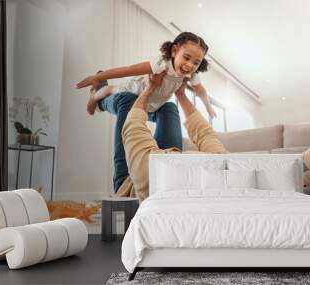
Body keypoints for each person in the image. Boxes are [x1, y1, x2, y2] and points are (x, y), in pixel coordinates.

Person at [76, 32, 216, 194]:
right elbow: (128, 70)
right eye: (186, 58)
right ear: (174, 51)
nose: (190, 65)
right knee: (111, 90)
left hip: (153, 106)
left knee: (170, 107)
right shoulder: (161, 63)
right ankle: (96, 99)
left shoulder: (191, 75)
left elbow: (200, 90)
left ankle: (167, 169)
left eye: (196, 63)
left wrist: (208, 107)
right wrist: (98, 76)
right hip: (132, 94)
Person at [118, 72, 228, 201]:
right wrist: (180, 94)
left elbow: (132, 126)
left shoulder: (149, 172)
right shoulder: (220, 163)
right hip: (166, 165)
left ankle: (100, 102)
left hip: (129, 184)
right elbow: (205, 134)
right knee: (169, 107)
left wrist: (149, 88)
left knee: (126, 101)